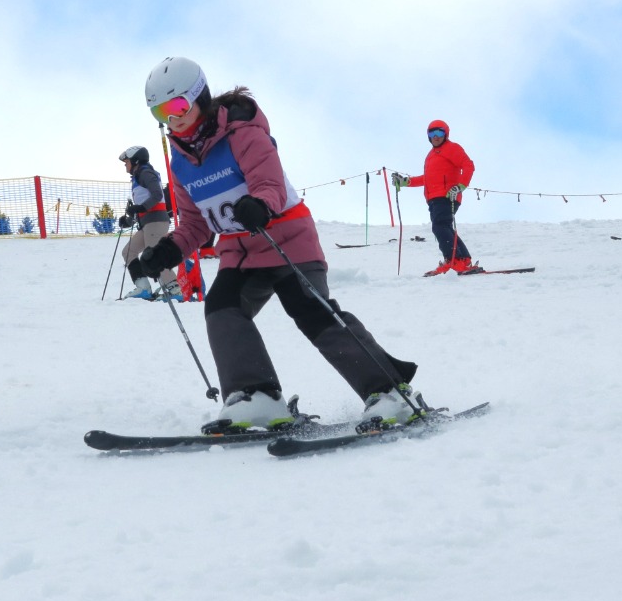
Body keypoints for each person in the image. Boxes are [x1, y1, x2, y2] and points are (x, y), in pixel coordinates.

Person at [127, 56, 422, 431]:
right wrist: (170, 249)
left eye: (179, 106)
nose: (173, 118)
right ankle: (257, 397)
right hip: (239, 253)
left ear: (200, 97)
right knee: (221, 309)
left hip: (286, 238)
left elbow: (270, 184)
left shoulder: (243, 134)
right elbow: (196, 224)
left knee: (312, 311)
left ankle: (390, 392)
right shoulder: (180, 165)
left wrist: (260, 205)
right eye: (161, 112)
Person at [391, 119, 477, 275]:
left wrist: (460, 186)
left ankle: (454, 261)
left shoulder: (452, 148)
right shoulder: (431, 155)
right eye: (432, 133)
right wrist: (406, 182)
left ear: (446, 134)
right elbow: (428, 178)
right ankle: (462, 259)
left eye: (439, 132)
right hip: (434, 198)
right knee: (444, 226)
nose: (436, 136)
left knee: (440, 226)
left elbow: (468, 165)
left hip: (447, 195)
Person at [118, 145, 180, 299]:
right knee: (128, 251)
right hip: (148, 223)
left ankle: (174, 290)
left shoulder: (145, 173)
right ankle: (143, 288)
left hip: (156, 221)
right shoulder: (138, 176)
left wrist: (140, 207)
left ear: (136, 160)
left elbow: (157, 194)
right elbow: (142, 206)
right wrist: (128, 221)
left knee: (155, 256)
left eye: (127, 162)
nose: (125, 165)